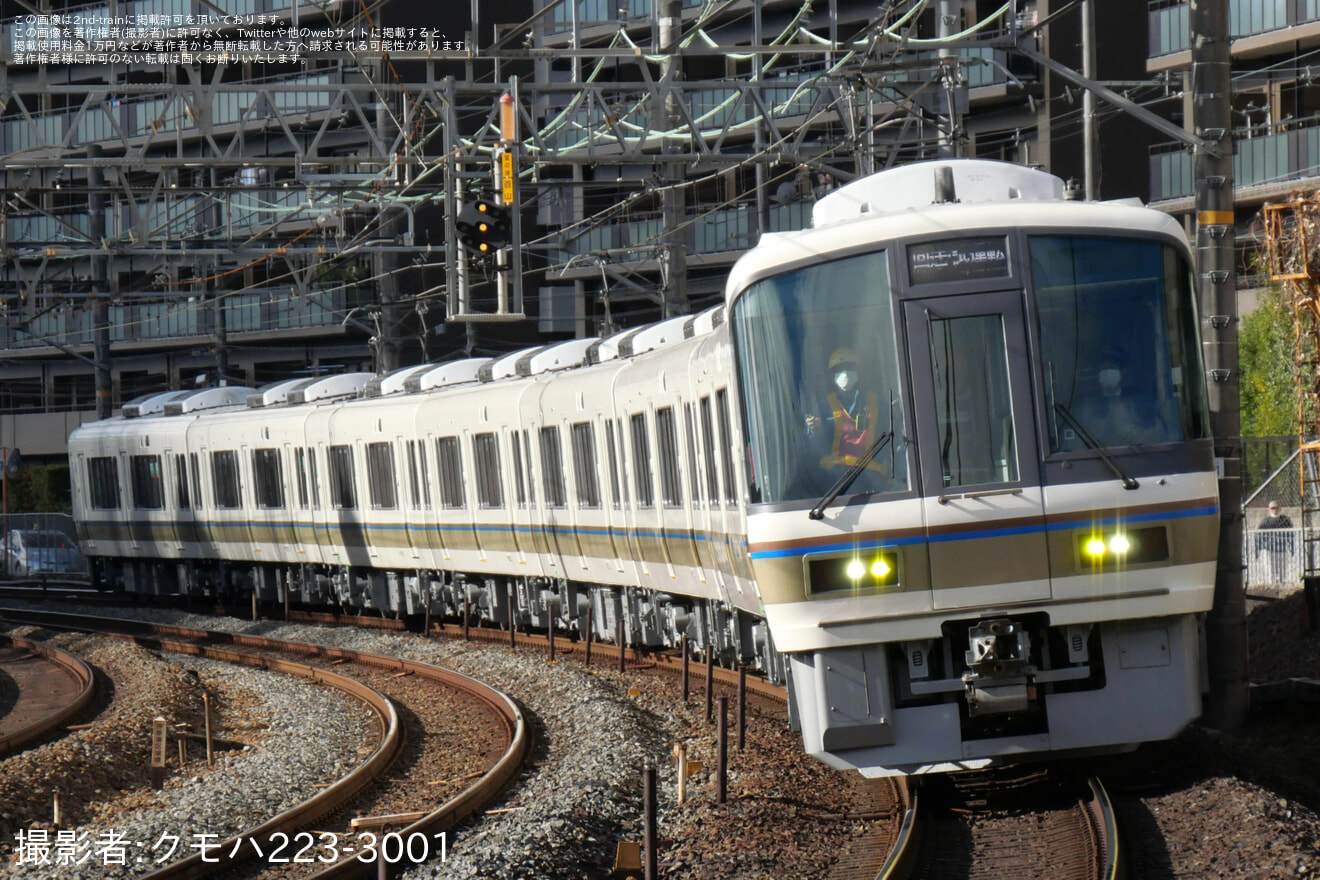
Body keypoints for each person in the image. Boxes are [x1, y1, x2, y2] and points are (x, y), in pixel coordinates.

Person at [806, 347, 885, 474]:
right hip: (837, 479)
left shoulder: (877, 403)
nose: (845, 373)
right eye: (839, 369)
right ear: (832, 375)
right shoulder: (823, 407)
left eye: (849, 367)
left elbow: (895, 434)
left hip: (872, 476)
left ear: (858, 371)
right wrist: (813, 430)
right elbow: (812, 448)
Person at [1256, 501, 1295, 584]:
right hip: (1269, 550)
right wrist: (1259, 549)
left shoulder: (1285, 520)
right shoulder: (1265, 521)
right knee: (1271, 572)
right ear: (1269, 510)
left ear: (1280, 509)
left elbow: (1291, 534)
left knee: (1282, 572)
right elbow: (1259, 536)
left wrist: (1291, 548)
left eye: (1276, 508)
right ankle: (1272, 586)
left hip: (1282, 549)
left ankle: (1282, 585)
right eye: (1273, 508)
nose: (1275, 510)